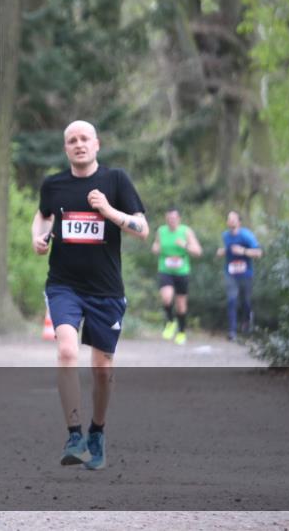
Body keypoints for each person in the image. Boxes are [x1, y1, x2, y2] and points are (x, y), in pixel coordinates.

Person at [31, 120, 147, 471]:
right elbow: (43, 215)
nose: (78, 144)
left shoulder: (116, 181)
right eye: (71, 140)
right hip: (64, 284)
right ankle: (74, 434)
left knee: (102, 368)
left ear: (97, 144)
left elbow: (143, 229)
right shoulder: (54, 184)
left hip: (106, 290)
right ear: (66, 148)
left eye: (84, 139)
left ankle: (97, 431)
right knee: (67, 350)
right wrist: (38, 236)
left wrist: (109, 211)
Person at [152, 208, 202, 345]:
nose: (171, 222)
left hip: (181, 271)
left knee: (180, 305)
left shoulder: (186, 231)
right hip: (165, 269)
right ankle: (170, 321)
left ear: (179, 219)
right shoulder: (161, 231)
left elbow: (198, 251)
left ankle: (181, 332)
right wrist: (155, 248)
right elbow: (156, 244)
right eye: (168, 219)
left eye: (174, 219)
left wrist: (185, 245)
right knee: (166, 297)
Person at [215, 211, 262, 340]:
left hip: (246, 273)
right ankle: (232, 331)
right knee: (232, 299)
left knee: (246, 301)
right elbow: (222, 250)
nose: (231, 221)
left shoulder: (246, 235)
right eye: (229, 219)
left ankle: (246, 322)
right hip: (230, 273)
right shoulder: (225, 236)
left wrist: (244, 251)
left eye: (233, 219)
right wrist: (221, 252)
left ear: (239, 222)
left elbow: (258, 253)